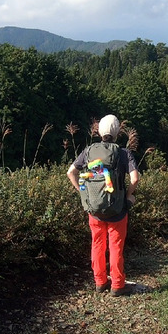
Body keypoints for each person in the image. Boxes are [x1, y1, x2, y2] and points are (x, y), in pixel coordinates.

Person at [66, 114, 140, 297]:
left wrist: (83, 193)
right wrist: (129, 197)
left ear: (99, 132)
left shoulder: (89, 150)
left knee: (97, 244)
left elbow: (71, 172)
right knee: (115, 246)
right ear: (117, 133)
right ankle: (117, 285)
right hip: (117, 210)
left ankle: (100, 282)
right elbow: (135, 178)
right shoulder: (123, 153)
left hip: (95, 210)